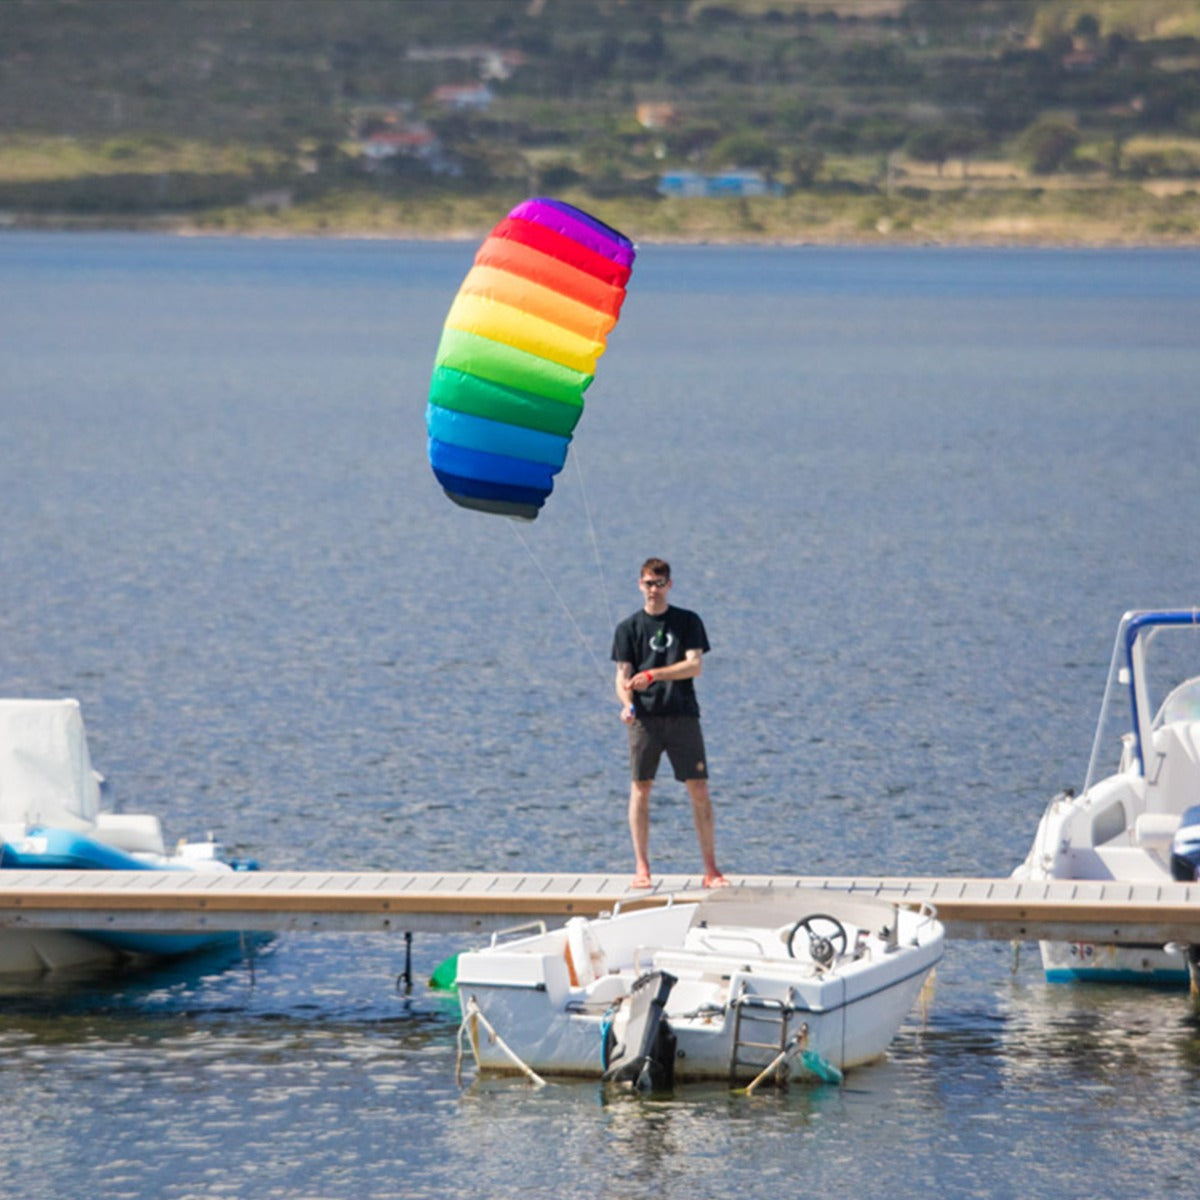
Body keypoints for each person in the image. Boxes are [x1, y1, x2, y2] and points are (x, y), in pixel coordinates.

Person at [612, 557, 727, 890]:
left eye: (660, 584)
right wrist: (627, 704)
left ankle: (711, 870)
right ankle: (642, 868)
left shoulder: (688, 622)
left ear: (669, 585)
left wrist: (653, 674)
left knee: (699, 789)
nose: (654, 590)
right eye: (648, 583)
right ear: (640, 585)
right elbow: (622, 677)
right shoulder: (628, 628)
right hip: (645, 721)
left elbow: (693, 666)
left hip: (682, 715)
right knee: (641, 788)